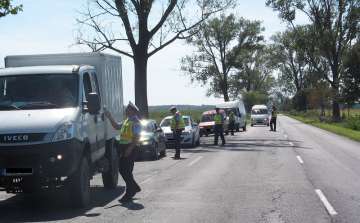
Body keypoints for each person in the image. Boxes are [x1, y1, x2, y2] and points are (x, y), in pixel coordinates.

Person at [105, 101, 142, 203]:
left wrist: (130, 149)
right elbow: (117, 126)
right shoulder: (127, 121)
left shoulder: (135, 122)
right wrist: (110, 117)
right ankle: (134, 187)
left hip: (131, 148)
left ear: (132, 111)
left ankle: (129, 193)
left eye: (127, 109)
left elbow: (137, 136)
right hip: (126, 148)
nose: (125, 110)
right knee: (122, 169)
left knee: (127, 171)